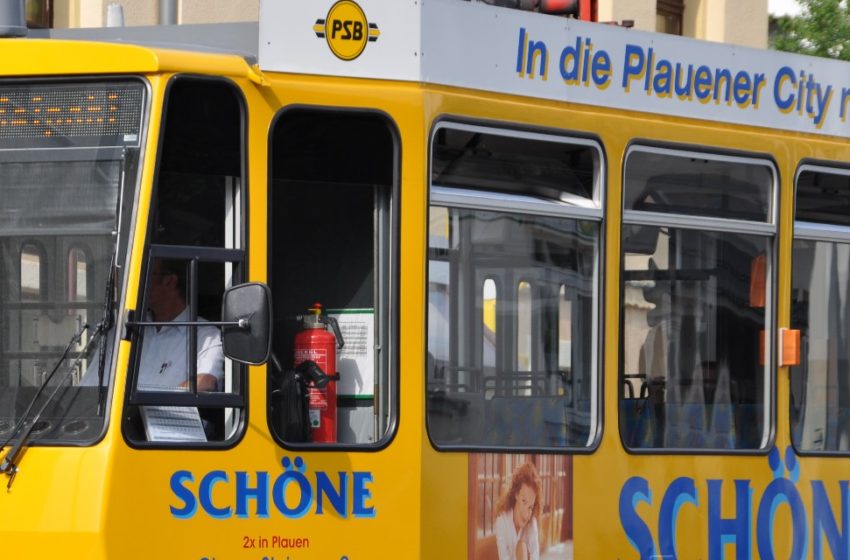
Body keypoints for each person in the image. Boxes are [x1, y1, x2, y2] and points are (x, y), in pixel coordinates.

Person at [135, 258, 223, 392]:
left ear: (169, 281)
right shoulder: (133, 325)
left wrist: (155, 401)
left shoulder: (206, 335)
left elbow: (206, 382)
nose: (137, 283)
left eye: (145, 275)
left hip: (166, 407)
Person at [494, 462, 541, 560]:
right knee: (521, 546)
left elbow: (535, 555)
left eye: (530, 507)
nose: (526, 513)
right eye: (524, 501)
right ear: (516, 494)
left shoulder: (532, 522)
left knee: (522, 546)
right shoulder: (502, 521)